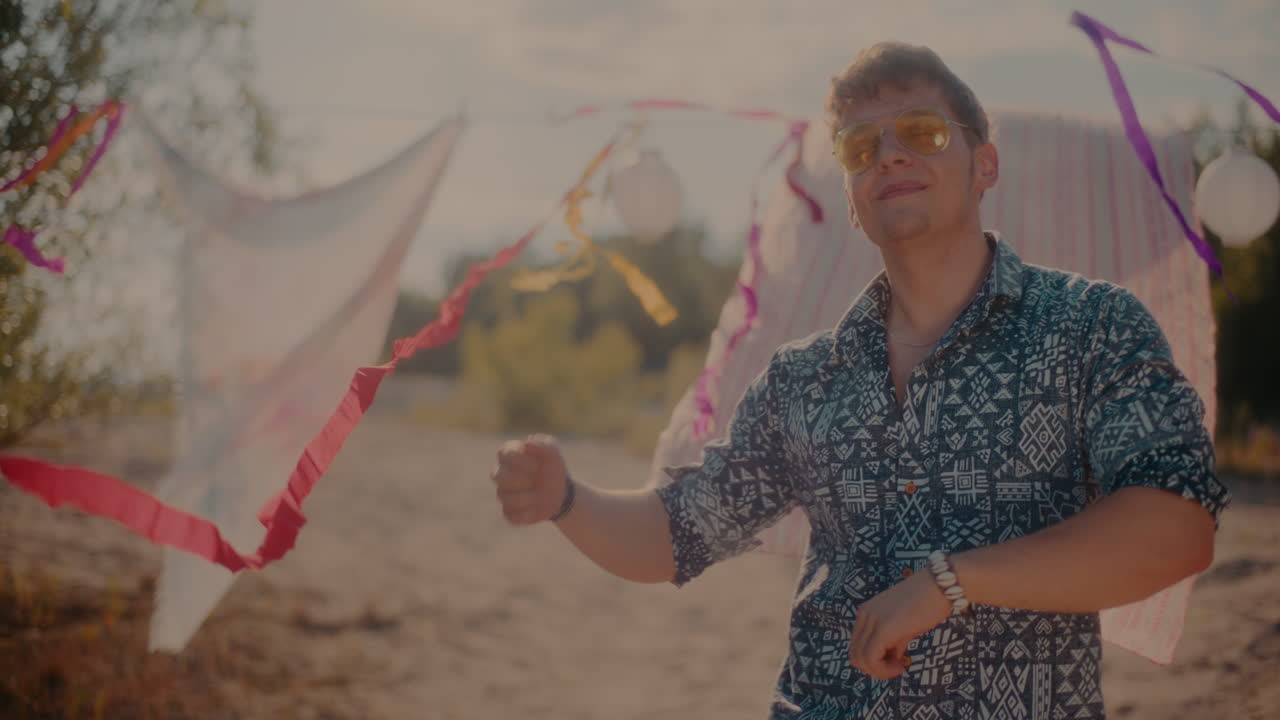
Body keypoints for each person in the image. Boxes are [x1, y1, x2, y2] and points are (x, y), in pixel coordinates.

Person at [488, 41, 1230, 719]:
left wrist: (950, 582)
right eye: (860, 146)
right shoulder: (803, 378)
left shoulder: (1092, 326)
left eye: (923, 132)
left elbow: (1178, 529)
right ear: (850, 196)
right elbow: (674, 534)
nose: (890, 155)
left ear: (985, 165)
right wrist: (566, 499)